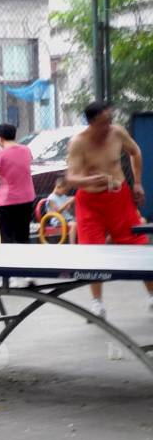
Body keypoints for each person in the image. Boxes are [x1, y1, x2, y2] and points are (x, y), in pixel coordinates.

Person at [63, 101, 153, 318]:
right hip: (89, 203)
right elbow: (71, 177)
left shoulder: (117, 133)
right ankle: (97, 303)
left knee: (137, 245)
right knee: (93, 252)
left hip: (118, 198)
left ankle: (152, 295)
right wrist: (89, 179)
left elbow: (135, 152)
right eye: (104, 122)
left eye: (110, 120)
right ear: (92, 123)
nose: (109, 126)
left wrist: (137, 182)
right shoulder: (78, 143)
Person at [44, 177, 76, 244]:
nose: (65, 192)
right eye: (64, 190)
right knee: (74, 225)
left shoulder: (63, 196)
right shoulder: (51, 198)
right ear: (58, 187)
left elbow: (67, 209)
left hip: (66, 218)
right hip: (58, 220)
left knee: (82, 221)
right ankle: (72, 245)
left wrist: (71, 203)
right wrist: (68, 202)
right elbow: (57, 212)